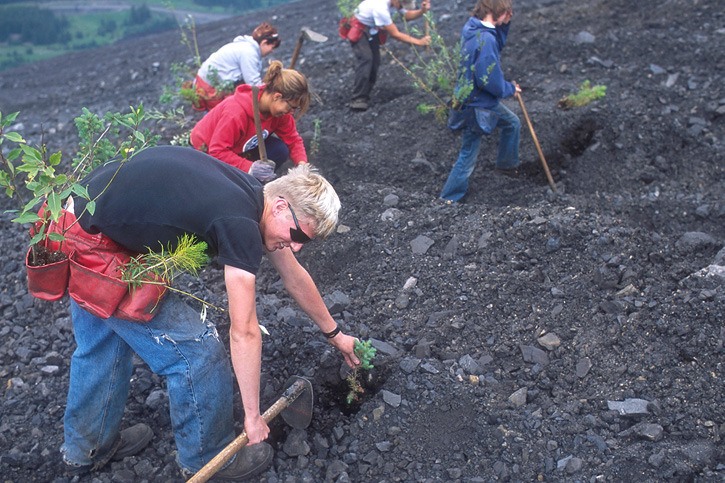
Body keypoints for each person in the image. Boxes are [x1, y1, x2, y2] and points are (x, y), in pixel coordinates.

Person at [59, 145, 360, 480]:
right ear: (279, 205)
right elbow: (244, 329)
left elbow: (294, 276)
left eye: (309, 241)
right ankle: (208, 457)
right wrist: (252, 417)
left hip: (72, 221)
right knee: (198, 350)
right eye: (300, 234)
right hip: (94, 249)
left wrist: (335, 334)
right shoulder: (240, 222)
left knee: (103, 342)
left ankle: (87, 448)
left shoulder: (253, 195)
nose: (299, 245)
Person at [439, 0, 522, 203]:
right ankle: (448, 198)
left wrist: (505, 23)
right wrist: (509, 89)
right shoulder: (486, 38)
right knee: (468, 153)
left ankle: (506, 166)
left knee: (512, 123)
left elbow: (495, 44)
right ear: (499, 11)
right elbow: (489, 79)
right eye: (507, 13)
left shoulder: (473, 27)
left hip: (469, 97)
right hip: (477, 104)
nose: (509, 15)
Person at [190, 60, 309, 183]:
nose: (291, 113)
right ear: (277, 96)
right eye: (291, 107)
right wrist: (250, 168)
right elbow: (217, 151)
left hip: (238, 146)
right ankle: (245, 181)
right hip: (206, 152)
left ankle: (252, 181)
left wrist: (302, 166)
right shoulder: (236, 112)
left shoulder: (280, 112)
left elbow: (293, 140)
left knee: (279, 150)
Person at [344, 0, 431, 111]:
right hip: (359, 28)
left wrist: (422, 11)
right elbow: (395, 34)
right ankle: (358, 99)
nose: (401, 7)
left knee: (375, 62)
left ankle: (365, 93)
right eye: (401, 5)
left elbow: (407, 16)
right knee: (366, 60)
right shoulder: (380, 7)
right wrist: (419, 42)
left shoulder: (394, 2)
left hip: (371, 28)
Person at [193, 22, 282, 111]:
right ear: (264, 43)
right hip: (209, 88)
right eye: (272, 47)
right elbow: (254, 84)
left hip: (204, 82)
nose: (272, 51)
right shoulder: (249, 52)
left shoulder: (244, 47)